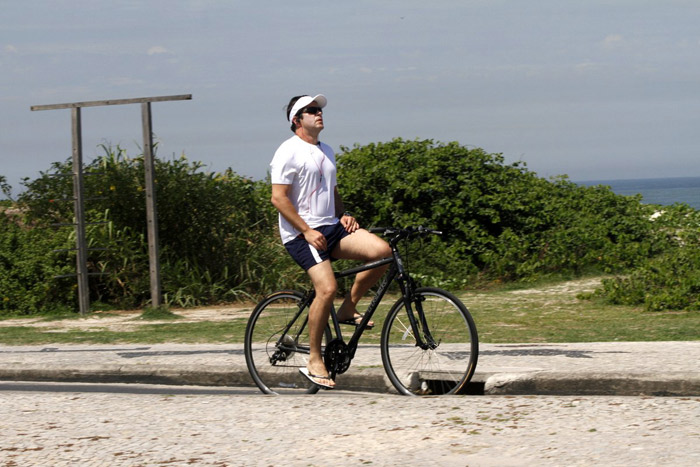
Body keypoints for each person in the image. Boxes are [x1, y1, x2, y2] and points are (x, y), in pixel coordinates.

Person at [270, 94, 391, 389]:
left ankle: (348, 308)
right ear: (297, 120)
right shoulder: (288, 151)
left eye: (320, 109)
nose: (319, 113)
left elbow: (331, 192)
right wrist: (307, 231)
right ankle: (314, 359)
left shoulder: (327, 150)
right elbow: (278, 198)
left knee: (382, 252)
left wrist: (344, 214)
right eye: (311, 110)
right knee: (326, 288)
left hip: (331, 228)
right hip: (301, 234)